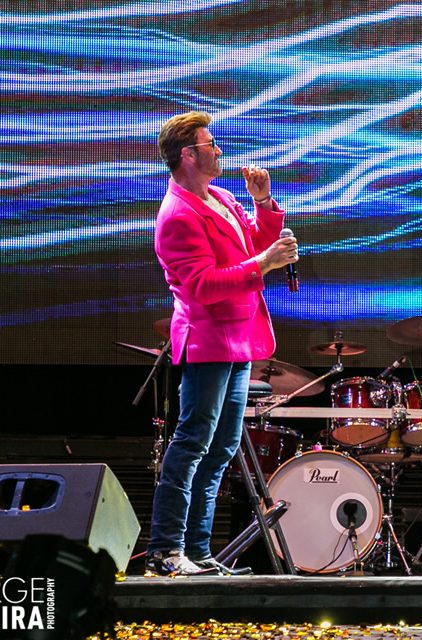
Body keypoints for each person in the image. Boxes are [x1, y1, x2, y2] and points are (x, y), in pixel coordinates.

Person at [146, 111, 298, 576]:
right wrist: (265, 263)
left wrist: (263, 203)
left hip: (238, 338)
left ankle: (197, 550)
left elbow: (254, 242)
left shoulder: (223, 198)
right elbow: (202, 285)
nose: (219, 150)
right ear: (188, 155)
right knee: (193, 443)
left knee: (221, 450)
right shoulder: (178, 215)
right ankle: (166, 550)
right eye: (210, 144)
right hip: (208, 339)